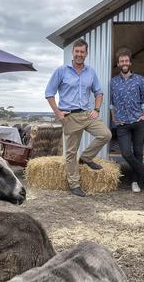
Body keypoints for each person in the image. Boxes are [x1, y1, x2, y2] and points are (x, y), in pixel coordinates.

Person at [45, 38, 112, 197]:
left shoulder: (91, 72)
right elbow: (49, 93)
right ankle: (74, 184)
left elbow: (99, 93)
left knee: (106, 135)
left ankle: (87, 157)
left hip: (87, 114)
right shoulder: (61, 71)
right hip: (70, 116)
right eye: (77, 51)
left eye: (82, 52)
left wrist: (96, 108)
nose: (79, 54)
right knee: (71, 152)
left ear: (86, 54)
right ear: (72, 52)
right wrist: (58, 113)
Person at [110, 47, 144, 193]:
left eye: (126, 60)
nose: (124, 63)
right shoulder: (113, 81)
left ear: (130, 62)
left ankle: (135, 181)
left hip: (138, 120)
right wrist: (113, 117)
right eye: (121, 61)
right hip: (122, 124)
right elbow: (112, 102)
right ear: (118, 63)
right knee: (127, 153)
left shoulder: (140, 79)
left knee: (138, 152)